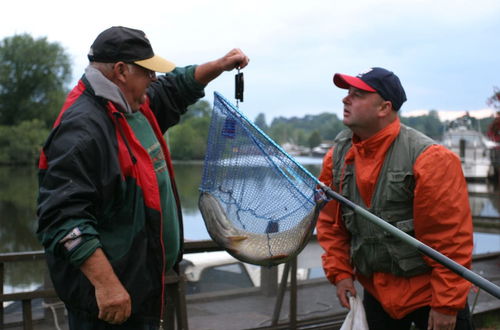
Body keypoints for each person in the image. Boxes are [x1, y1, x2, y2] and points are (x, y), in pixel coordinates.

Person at [36, 26, 249, 329]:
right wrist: (107, 286)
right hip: (108, 304)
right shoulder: (81, 131)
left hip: (141, 290)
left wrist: (218, 65)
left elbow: (174, 88)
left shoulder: (133, 104)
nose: (153, 79)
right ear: (121, 71)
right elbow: (62, 220)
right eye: (146, 71)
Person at [316, 67, 474, 330]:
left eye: (357, 94)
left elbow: (451, 240)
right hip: (377, 297)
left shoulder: (430, 159)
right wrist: (340, 274)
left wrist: (446, 305)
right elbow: (331, 225)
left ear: (383, 108)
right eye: (347, 93)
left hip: (430, 298)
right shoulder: (336, 158)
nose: (346, 99)